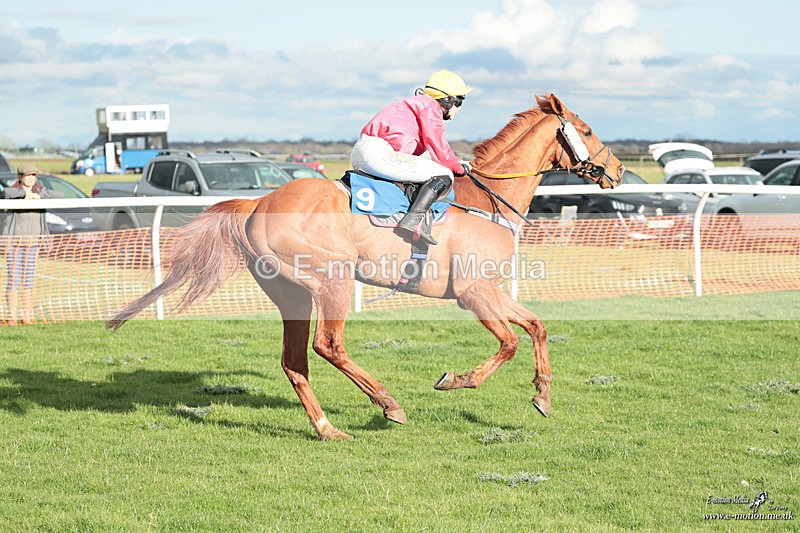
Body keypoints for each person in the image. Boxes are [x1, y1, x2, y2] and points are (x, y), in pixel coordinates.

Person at [351, 70, 473, 245]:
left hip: (365, 151)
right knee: (446, 175)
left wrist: (454, 162)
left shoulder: (418, 105)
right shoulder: (431, 106)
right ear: (447, 99)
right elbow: (440, 149)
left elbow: (427, 156)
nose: (459, 108)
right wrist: (460, 169)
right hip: (378, 153)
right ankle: (413, 221)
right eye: (459, 101)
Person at [2, 163, 63, 325]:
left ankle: (27, 316)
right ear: (20, 178)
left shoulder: (40, 191)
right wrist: (24, 195)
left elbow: (60, 195)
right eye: (27, 175)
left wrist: (40, 197)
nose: (31, 178)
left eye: (33, 175)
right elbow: (6, 193)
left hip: (33, 243)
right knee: (14, 280)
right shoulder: (13, 190)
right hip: (14, 243)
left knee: (29, 280)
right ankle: (11, 316)